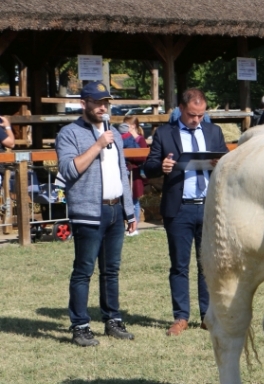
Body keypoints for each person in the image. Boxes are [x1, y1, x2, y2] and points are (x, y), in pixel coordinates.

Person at [55, 81, 136, 346]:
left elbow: (122, 172)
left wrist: (129, 209)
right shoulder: (69, 133)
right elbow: (69, 170)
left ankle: (112, 320)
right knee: (83, 270)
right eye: (98, 102)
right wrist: (99, 144)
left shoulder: (112, 132)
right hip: (88, 212)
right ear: (84, 104)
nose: (103, 107)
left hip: (115, 210)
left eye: (106, 103)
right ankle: (80, 325)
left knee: (111, 270)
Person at [143, 88, 228, 336]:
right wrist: (162, 166)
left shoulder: (214, 132)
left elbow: (227, 161)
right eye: (192, 115)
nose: (196, 120)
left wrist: (220, 163)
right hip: (178, 210)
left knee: (207, 265)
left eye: (201, 115)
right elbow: (148, 167)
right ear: (180, 109)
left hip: (209, 207)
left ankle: (206, 316)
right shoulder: (165, 133)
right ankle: (180, 317)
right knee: (179, 266)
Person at [119, 117, 148, 231]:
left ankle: (134, 226)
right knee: (125, 199)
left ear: (133, 126)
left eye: (128, 125)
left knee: (134, 200)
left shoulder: (140, 140)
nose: (125, 127)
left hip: (135, 173)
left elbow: (142, 157)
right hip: (125, 171)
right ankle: (127, 224)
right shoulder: (123, 137)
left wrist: (129, 156)